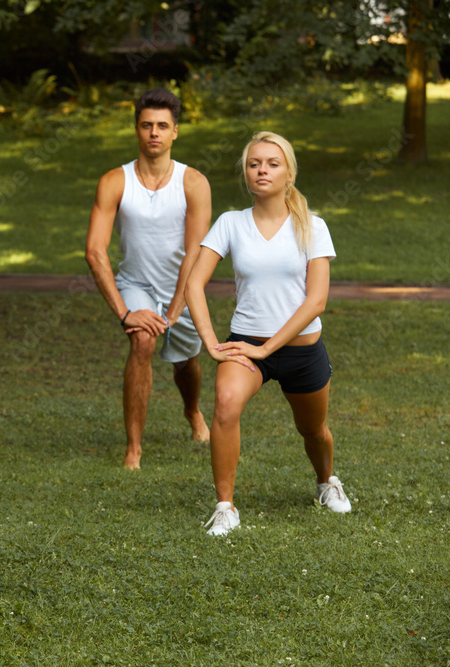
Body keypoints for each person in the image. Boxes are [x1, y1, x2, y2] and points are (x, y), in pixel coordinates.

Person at [184, 131, 352, 537]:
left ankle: (327, 481)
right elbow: (193, 284)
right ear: (246, 173)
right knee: (225, 403)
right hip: (245, 344)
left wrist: (269, 349)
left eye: (272, 163)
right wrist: (210, 342)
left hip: (301, 350)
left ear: (289, 173)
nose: (262, 169)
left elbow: (315, 302)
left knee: (314, 430)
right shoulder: (231, 223)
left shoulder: (313, 226)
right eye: (254, 163)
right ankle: (226, 507)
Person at [85, 88, 212, 469]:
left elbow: (196, 253)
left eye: (162, 126)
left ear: (175, 131)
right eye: (146, 125)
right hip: (135, 285)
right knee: (142, 342)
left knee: (185, 361)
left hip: (183, 288)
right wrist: (126, 313)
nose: (153, 133)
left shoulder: (194, 183)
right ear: (136, 130)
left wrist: (175, 311)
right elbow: (95, 251)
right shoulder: (114, 181)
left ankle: (191, 410)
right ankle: (134, 449)